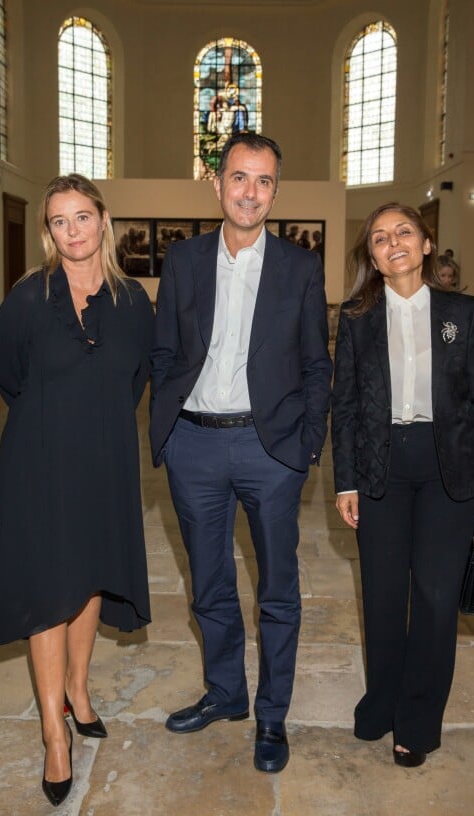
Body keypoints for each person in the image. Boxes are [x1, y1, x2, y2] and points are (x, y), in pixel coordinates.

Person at [149, 133, 332, 773]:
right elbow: (165, 349)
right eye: (239, 178)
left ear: (275, 190)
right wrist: (168, 432)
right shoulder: (184, 258)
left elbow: (316, 364)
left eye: (263, 181)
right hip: (194, 443)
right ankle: (226, 694)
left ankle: (272, 717)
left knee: (277, 592)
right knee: (209, 587)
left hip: (270, 448)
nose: (250, 192)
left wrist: (304, 447)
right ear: (217, 182)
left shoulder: (301, 267)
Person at [0, 174, 154, 806]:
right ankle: (54, 734)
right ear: (48, 232)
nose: (73, 230)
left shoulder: (134, 300)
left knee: (88, 578)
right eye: (60, 221)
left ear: (104, 221)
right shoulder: (27, 300)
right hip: (40, 462)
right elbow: (7, 376)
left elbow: (136, 377)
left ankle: (79, 690)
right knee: (46, 591)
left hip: (105, 462)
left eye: (83, 217)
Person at [332, 202, 474, 769]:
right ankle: (381, 702)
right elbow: (346, 405)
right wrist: (345, 480)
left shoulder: (462, 312)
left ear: (426, 245)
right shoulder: (355, 319)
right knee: (381, 597)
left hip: (447, 469)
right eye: (380, 237)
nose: (393, 242)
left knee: (432, 599)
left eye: (404, 232)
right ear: (373, 257)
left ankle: (418, 721)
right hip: (381, 469)